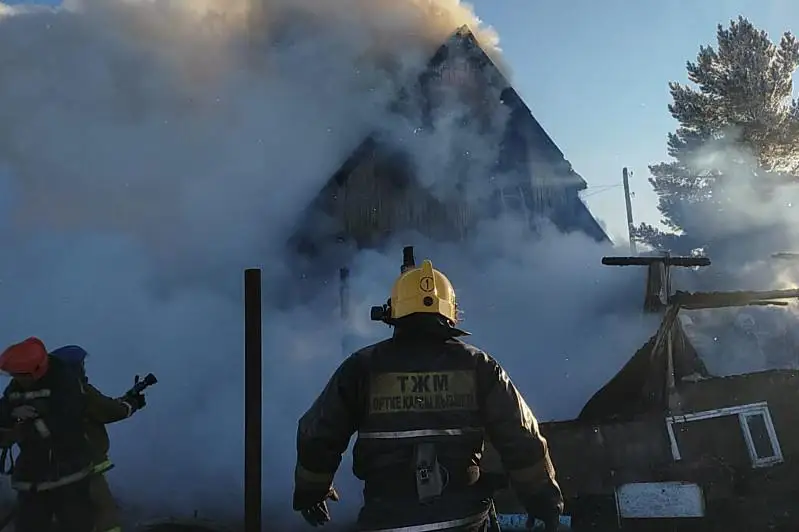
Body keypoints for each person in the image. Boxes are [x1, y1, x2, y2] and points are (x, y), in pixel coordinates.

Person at [292, 250, 564, 532]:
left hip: (387, 522)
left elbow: (319, 433)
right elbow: (521, 436)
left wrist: (312, 490)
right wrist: (544, 501)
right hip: (465, 522)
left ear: (393, 311)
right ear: (451, 312)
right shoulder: (479, 366)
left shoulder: (360, 369)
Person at [0, 337, 95, 532]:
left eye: (20, 375)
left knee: (76, 525)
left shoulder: (66, 385)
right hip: (32, 477)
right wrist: (11, 413)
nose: (17, 379)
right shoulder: (17, 386)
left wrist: (23, 429)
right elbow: (4, 408)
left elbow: (65, 424)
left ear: (36, 369)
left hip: (69, 475)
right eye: (13, 374)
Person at [50, 345, 146, 532]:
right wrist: (132, 403)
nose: (84, 369)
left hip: (56, 467)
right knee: (105, 511)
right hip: (85, 464)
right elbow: (109, 411)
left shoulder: (50, 393)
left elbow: (100, 408)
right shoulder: (80, 391)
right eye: (81, 365)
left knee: (70, 514)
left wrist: (126, 398)